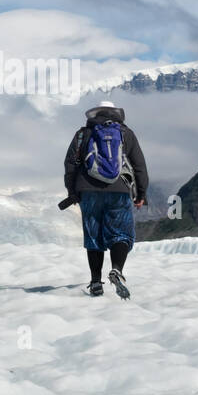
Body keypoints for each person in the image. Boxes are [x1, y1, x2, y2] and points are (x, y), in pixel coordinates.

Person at [63, 101, 149, 298]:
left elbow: (70, 165)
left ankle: (95, 282)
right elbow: (139, 166)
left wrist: (72, 192)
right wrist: (141, 193)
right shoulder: (126, 134)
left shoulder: (83, 134)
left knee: (94, 237)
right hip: (119, 190)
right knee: (121, 234)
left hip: (88, 190)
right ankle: (117, 270)